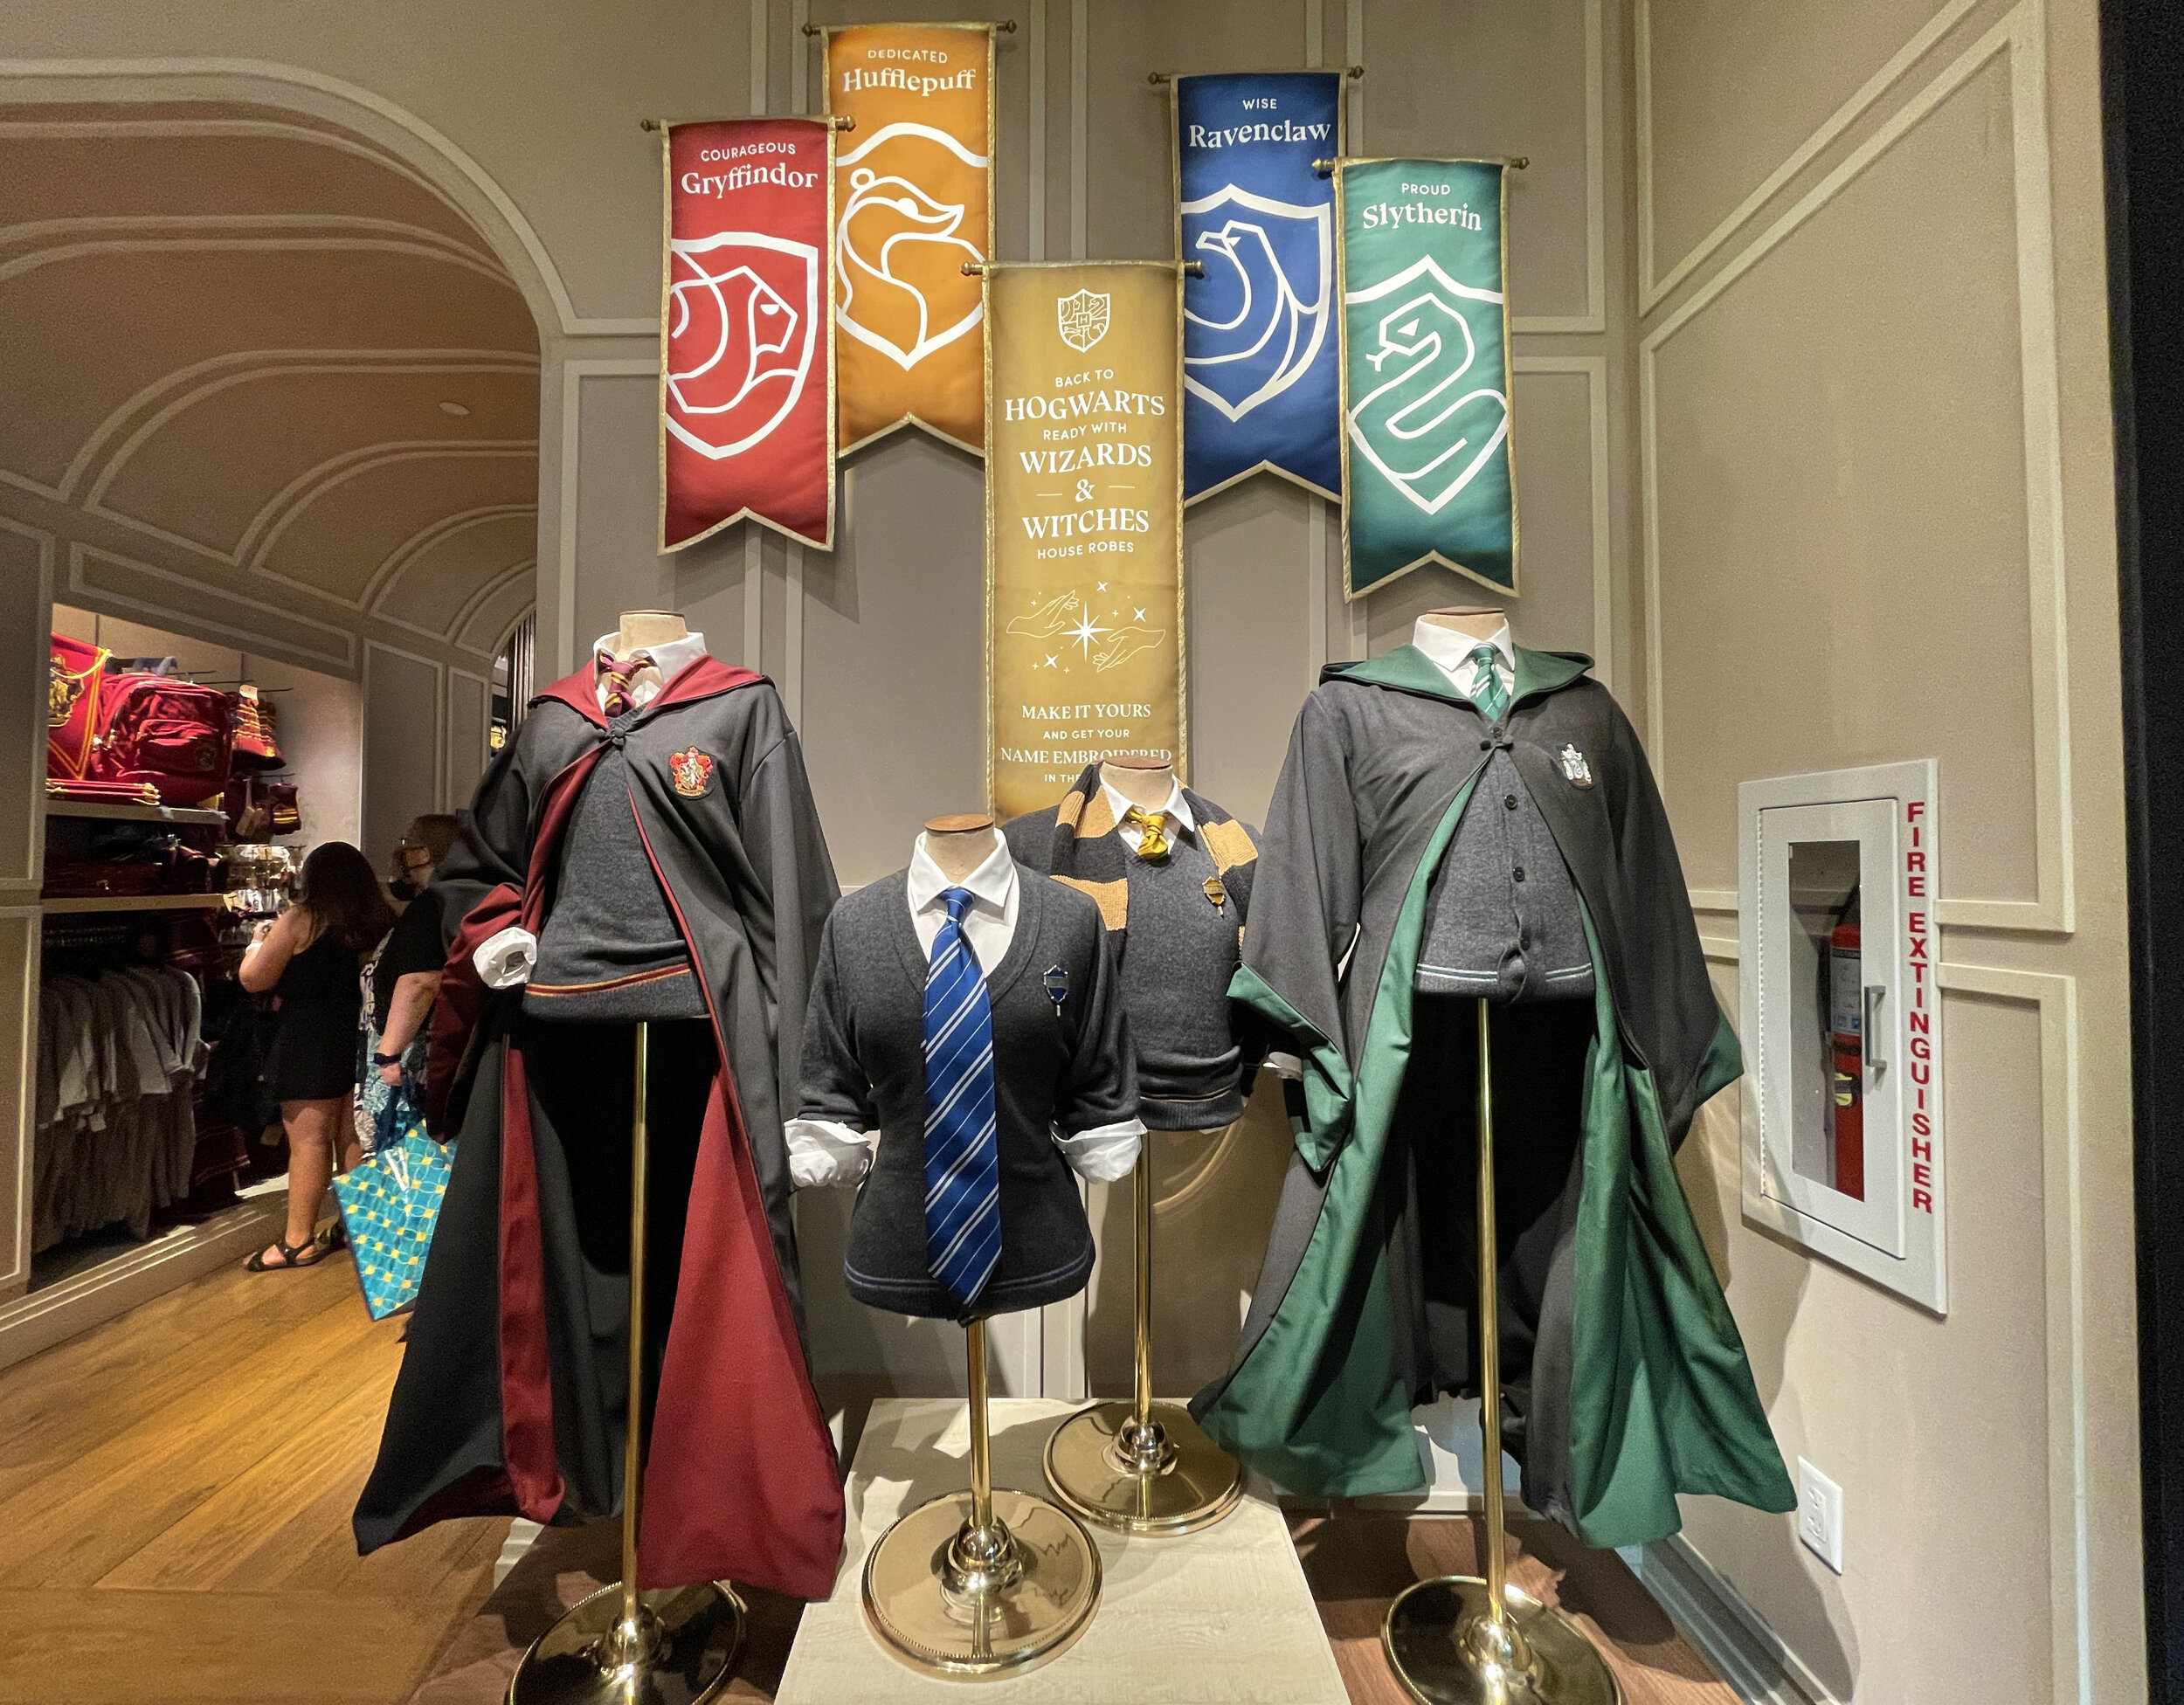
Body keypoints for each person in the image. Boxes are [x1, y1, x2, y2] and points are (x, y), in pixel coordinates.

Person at [239, 841, 395, 1271]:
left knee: (308, 1142)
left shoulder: (302, 919)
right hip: (359, 1033)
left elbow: (254, 979)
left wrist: (255, 944)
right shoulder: (378, 920)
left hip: (307, 1038)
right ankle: (358, 1227)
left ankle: (297, 1242)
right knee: (351, 1135)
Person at [358, 814, 458, 1155]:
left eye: (412, 846)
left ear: (431, 853)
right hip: (419, 1053)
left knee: (406, 1162)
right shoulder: (446, 902)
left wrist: (388, 1055)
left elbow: (420, 982)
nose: (403, 856)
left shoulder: (430, 906)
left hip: (411, 1060)